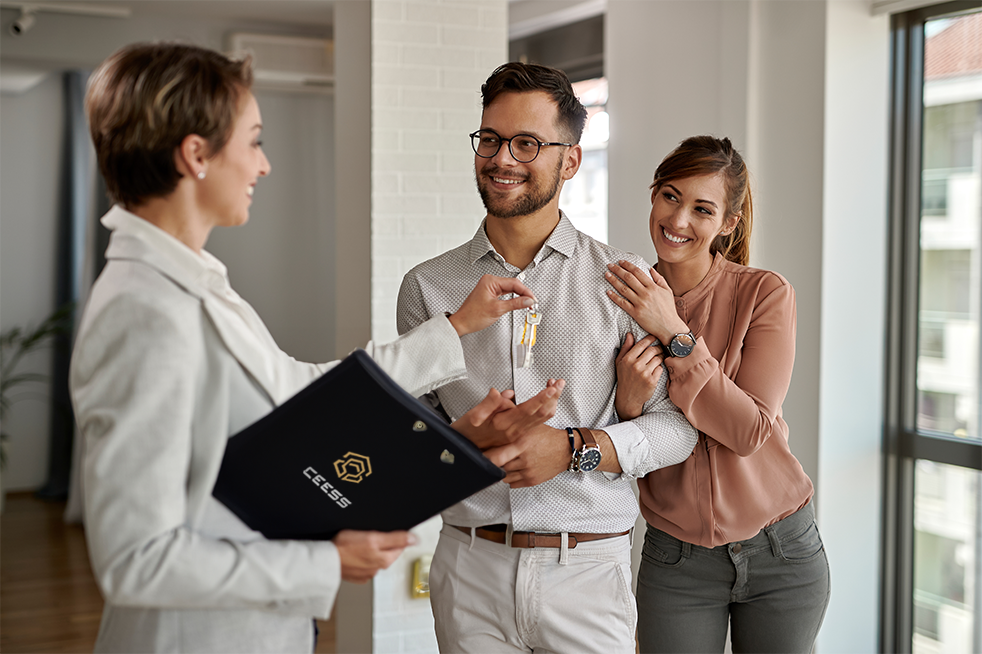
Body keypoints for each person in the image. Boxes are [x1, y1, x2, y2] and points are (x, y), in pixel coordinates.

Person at [70, 42, 563, 654]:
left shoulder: (194, 284)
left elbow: (302, 393)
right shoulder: (143, 312)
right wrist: (324, 563)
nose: (263, 165)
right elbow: (134, 561)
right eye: (253, 141)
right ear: (195, 154)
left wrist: (457, 336)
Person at [397, 62, 699, 654]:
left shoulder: (626, 281)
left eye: (527, 143)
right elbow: (410, 433)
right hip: (469, 565)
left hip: (587, 570)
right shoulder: (427, 288)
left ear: (571, 160)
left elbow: (676, 430)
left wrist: (573, 448)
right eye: (490, 139)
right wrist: (466, 440)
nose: (502, 158)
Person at [605, 135, 831, 654]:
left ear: (727, 222)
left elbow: (749, 430)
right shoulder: (619, 297)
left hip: (782, 551)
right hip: (677, 560)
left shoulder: (765, 293)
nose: (678, 220)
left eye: (702, 208)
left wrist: (674, 336)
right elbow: (613, 441)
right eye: (669, 196)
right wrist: (629, 406)